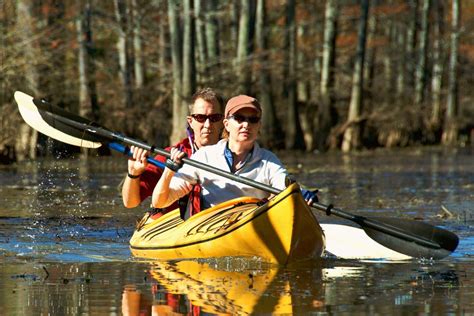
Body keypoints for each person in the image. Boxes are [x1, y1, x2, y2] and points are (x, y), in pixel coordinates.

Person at [151, 95, 317, 215]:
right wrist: (169, 171)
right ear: (226, 124)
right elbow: (159, 202)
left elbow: (284, 184)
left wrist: (298, 193)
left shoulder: (269, 162)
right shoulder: (204, 157)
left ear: (259, 126)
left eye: (253, 120)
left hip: (252, 224)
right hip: (211, 228)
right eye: (239, 118)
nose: (246, 124)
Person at [122, 88, 224, 218]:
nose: (208, 124)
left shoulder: (237, 157)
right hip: (172, 226)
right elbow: (130, 203)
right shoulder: (170, 155)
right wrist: (134, 174)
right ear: (190, 121)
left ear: (223, 122)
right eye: (200, 118)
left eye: (214, 118)